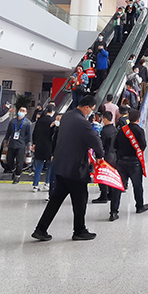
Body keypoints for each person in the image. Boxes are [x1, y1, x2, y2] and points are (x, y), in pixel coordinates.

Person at [32, 95, 104, 242]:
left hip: (61, 166)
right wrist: (100, 156)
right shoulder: (82, 122)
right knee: (80, 200)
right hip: (75, 168)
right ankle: (79, 230)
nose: (91, 112)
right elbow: (95, 140)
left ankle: (40, 229)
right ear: (86, 107)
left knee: (55, 200)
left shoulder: (67, 116)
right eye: (91, 109)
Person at [110, 108, 148, 220]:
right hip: (134, 162)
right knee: (137, 186)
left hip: (121, 162)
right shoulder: (140, 131)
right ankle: (139, 206)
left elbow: (115, 145)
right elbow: (143, 146)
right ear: (138, 119)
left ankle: (113, 212)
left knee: (118, 187)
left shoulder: (122, 130)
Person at [92, 110, 117, 205]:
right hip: (113, 155)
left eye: (102, 119)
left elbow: (101, 145)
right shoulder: (115, 130)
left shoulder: (104, 131)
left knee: (102, 175)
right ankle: (111, 193)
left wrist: (99, 156)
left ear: (105, 119)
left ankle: (103, 196)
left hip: (106, 156)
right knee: (110, 175)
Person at [31, 104, 56, 192]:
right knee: (50, 166)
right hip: (49, 146)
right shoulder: (53, 121)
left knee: (38, 166)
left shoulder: (39, 121)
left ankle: (35, 185)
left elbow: (35, 133)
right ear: (52, 112)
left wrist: (34, 143)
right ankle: (47, 183)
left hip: (39, 145)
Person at [4, 107, 32, 184]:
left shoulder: (27, 123)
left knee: (20, 162)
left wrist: (29, 144)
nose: (21, 112)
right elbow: (8, 132)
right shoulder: (12, 122)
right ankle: (14, 170)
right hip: (12, 144)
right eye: (20, 110)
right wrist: (5, 140)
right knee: (9, 160)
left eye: (23, 111)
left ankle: (17, 175)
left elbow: (29, 135)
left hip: (21, 145)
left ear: (26, 113)